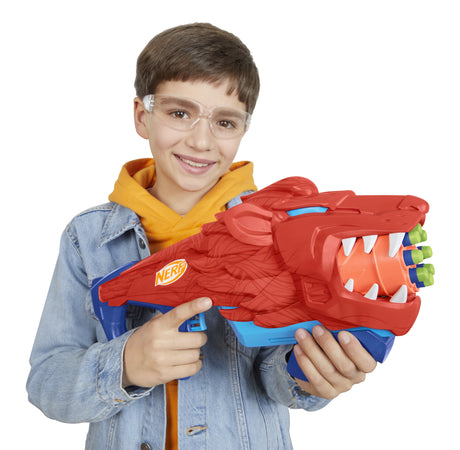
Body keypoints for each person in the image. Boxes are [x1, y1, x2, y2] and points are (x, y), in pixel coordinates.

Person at [27, 23, 377, 450]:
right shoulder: (87, 238)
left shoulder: (279, 230)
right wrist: (126, 363)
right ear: (141, 115)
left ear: (243, 130)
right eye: (179, 113)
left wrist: (310, 373)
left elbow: (276, 373)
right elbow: (47, 382)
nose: (200, 140)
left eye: (225, 121)